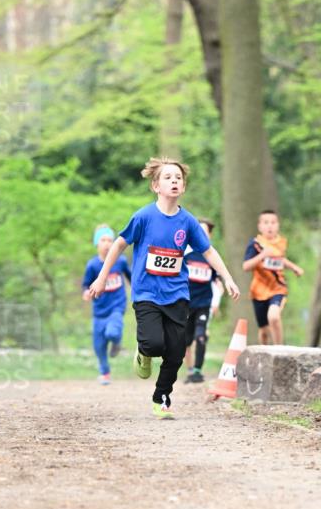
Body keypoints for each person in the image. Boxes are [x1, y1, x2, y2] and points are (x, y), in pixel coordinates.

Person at [88, 157, 240, 419]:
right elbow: (118, 245)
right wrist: (101, 278)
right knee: (154, 343)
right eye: (168, 177)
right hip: (146, 292)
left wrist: (227, 277)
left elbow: (208, 251)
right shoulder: (144, 217)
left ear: (183, 187)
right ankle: (144, 351)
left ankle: (162, 396)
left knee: (176, 351)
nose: (174, 181)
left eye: (178, 178)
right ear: (156, 186)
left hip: (178, 293)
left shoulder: (188, 222)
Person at [243, 210, 303, 345]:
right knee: (264, 331)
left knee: (274, 316)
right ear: (260, 226)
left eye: (273, 222)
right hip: (258, 291)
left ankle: (279, 349)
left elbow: (281, 259)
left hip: (278, 288)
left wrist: (294, 267)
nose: (270, 226)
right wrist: (262, 255)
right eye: (266, 222)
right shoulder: (256, 244)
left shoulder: (281, 242)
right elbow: (246, 266)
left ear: (278, 225)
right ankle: (264, 357)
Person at [81, 225, 132, 384]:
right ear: (97, 243)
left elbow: (131, 278)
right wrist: (86, 293)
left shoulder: (121, 261)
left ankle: (117, 343)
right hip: (99, 311)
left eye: (110, 240)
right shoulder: (92, 265)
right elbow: (86, 284)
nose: (107, 243)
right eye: (103, 240)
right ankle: (104, 372)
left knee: (113, 332)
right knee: (99, 346)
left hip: (117, 306)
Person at [183, 218, 222, 384]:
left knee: (201, 336)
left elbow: (218, 282)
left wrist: (216, 303)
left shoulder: (211, 257)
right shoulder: (185, 256)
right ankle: (190, 371)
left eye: (205, 232)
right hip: (185, 304)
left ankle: (198, 371)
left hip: (204, 304)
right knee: (186, 342)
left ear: (210, 236)